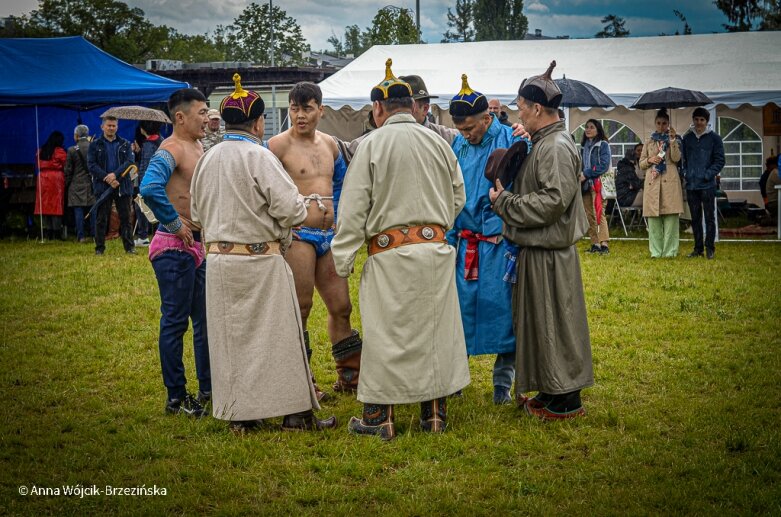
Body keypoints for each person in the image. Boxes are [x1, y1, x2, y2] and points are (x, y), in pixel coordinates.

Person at [331, 59, 470, 440]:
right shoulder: (439, 143)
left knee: (385, 335)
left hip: (389, 255)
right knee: (435, 332)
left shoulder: (372, 144)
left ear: (378, 109)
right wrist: (434, 226)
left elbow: (354, 207)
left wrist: (342, 259)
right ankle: (434, 416)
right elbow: (459, 195)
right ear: (411, 106)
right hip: (436, 252)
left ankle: (379, 418)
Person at [190, 75, 336, 433]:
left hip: (221, 262)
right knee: (280, 339)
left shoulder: (207, 159)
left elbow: (195, 214)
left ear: (226, 122)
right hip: (260, 260)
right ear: (258, 123)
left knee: (232, 341)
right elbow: (292, 211)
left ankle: (242, 415)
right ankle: (296, 415)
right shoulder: (261, 157)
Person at [489, 60, 593, 420]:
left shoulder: (556, 147)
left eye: (520, 106)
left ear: (536, 108)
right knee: (543, 324)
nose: (518, 112)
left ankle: (566, 400)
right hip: (539, 251)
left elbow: (552, 201)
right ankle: (552, 391)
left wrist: (505, 202)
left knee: (557, 325)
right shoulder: (544, 142)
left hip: (551, 254)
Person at [268, 82, 362, 399]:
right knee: (301, 308)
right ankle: (301, 382)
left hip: (329, 235)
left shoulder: (332, 145)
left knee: (342, 306)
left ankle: (350, 375)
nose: (300, 115)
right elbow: (266, 190)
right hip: (298, 235)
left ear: (320, 110)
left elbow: (342, 184)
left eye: (307, 108)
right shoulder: (276, 146)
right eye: (294, 108)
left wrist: (340, 219)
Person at [448, 74, 524, 405]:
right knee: (458, 315)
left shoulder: (512, 138)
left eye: (471, 128)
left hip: (499, 245)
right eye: (461, 129)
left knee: (505, 316)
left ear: (487, 117)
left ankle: (501, 386)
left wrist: (529, 137)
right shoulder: (457, 145)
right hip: (465, 244)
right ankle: (455, 380)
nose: (466, 134)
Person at [139, 89, 212, 417]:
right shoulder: (171, 148)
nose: (207, 118)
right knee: (175, 322)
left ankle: (208, 389)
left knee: (204, 321)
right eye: (201, 112)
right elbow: (150, 187)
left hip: (196, 246)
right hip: (173, 248)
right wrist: (173, 222)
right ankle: (177, 397)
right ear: (180, 117)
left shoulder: (198, 145)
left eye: (208, 111)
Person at [681, 107, 725, 260]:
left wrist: (707, 174)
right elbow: (683, 161)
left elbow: (720, 161)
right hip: (692, 185)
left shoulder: (715, 139)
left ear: (707, 121)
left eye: (702, 120)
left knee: (709, 217)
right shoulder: (687, 139)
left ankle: (710, 248)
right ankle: (698, 249)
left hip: (707, 185)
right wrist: (686, 173)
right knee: (695, 218)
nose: (699, 122)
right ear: (693, 120)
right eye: (697, 119)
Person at [87, 116, 136, 255]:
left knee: (126, 218)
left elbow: (130, 162)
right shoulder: (94, 145)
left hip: (122, 186)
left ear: (117, 127)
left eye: (114, 125)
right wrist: (107, 178)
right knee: (101, 218)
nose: (111, 128)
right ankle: (99, 248)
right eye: (108, 125)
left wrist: (115, 175)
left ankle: (129, 248)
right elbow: (91, 165)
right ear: (102, 127)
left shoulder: (125, 144)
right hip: (103, 187)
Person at [639, 108, 684, 258]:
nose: (661, 126)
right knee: (654, 220)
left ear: (668, 124)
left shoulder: (674, 140)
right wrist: (650, 160)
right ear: (655, 123)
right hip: (653, 181)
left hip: (670, 181)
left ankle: (670, 252)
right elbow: (641, 164)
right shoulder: (649, 142)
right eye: (658, 123)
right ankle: (656, 252)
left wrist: (672, 142)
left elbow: (677, 159)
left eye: (664, 123)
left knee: (671, 219)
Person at [580, 119, 612, 254]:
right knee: (589, 214)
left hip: (598, 184)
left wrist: (586, 173)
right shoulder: (583, 146)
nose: (588, 129)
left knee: (599, 212)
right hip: (586, 185)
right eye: (586, 127)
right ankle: (595, 244)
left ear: (598, 129)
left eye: (591, 127)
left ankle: (604, 244)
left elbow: (604, 166)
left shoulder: (603, 145)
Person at [399, 74, 459, 145]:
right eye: (394, 105)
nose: (398, 111)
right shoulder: (385, 135)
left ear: (425, 109)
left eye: (407, 104)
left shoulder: (449, 137)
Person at [133, 120, 163, 247]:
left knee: (141, 207)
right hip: (160, 180)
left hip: (148, 181)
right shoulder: (161, 140)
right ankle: (159, 235)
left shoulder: (148, 144)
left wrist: (141, 183)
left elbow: (146, 165)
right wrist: (139, 152)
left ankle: (143, 236)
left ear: (143, 129)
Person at [64, 125, 95, 242]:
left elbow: (68, 170)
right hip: (91, 183)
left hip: (76, 184)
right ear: (87, 134)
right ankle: (94, 234)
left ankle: (81, 236)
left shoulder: (71, 150)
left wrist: (67, 183)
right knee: (93, 210)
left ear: (76, 135)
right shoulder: (93, 147)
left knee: (78, 210)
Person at [34, 131, 67, 240]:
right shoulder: (60, 151)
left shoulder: (41, 150)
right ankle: (56, 233)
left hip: (42, 178)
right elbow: (66, 165)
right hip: (56, 178)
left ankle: (47, 232)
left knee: (45, 205)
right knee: (56, 206)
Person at [615, 144, 644, 208]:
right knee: (650, 196)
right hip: (626, 199)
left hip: (623, 198)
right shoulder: (628, 169)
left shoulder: (623, 167)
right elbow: (637, 184)